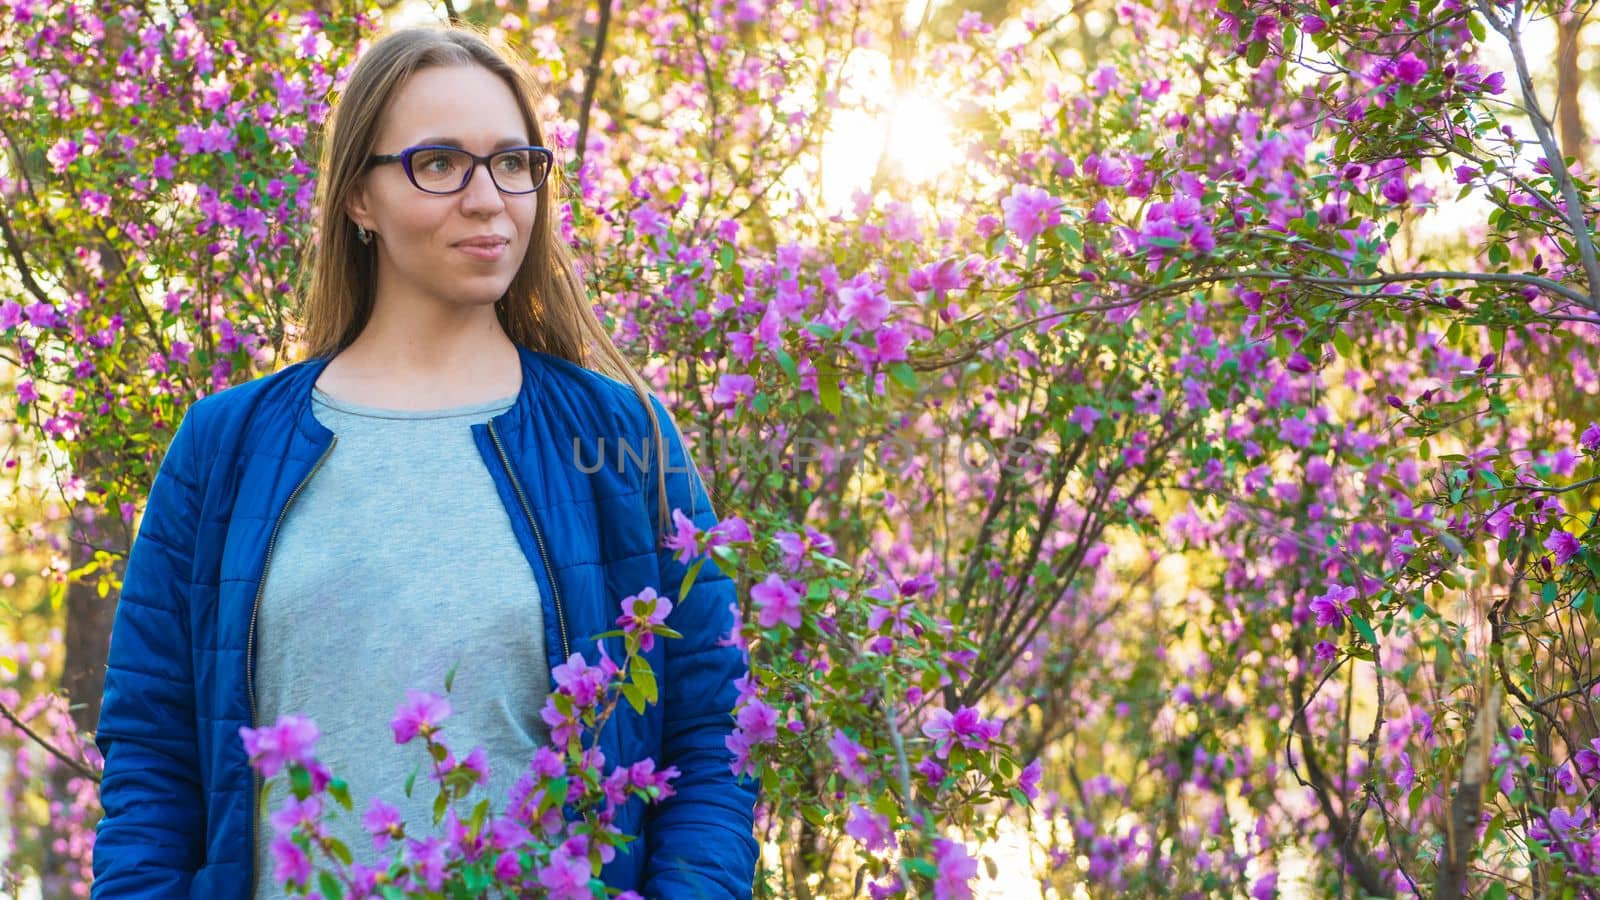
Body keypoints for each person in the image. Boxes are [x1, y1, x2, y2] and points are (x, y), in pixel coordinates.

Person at [90, 22, 758, 899]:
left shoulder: (621, 437)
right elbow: (152, 753)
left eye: (513, 161)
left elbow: (712, 740)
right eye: (439, 163)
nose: (489, 198)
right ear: (359, 199)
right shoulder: (225, 446)